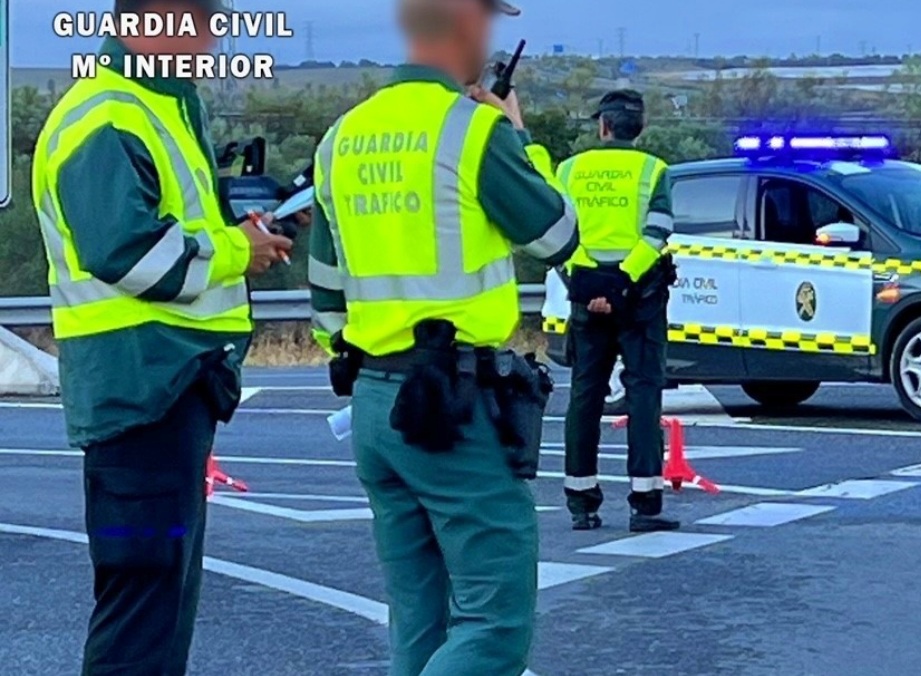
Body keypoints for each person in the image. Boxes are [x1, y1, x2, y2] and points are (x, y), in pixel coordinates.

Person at [307, 0, 577, 674]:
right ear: (465, 26)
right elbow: (557, 237)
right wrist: (519, 138)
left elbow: (324, 297)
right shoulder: (474, 132)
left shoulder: (341, 138)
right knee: (494, 623)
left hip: (376, 401)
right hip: (456, 408)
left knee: (419, 621)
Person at [29, 0, 293, 674]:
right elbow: (129, 255)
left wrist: (238, 240)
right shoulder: (108, 114)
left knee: (155, 595)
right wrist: (238, 251)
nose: (216, 34)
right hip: (140, 391)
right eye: (205, 18)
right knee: (143, 599)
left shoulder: (157, 105)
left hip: (165, 390)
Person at [558, 89, 678, 532]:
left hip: (588, 300)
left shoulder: (569, 170)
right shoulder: (653, 170)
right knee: (644, 395)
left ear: (602, 127)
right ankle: (645, 503)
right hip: (640, 300)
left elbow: (559, 235)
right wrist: (623, 282)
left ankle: (581, 504)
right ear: (639, 129)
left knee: (585, 396)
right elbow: (658, 233)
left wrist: (589, 287)